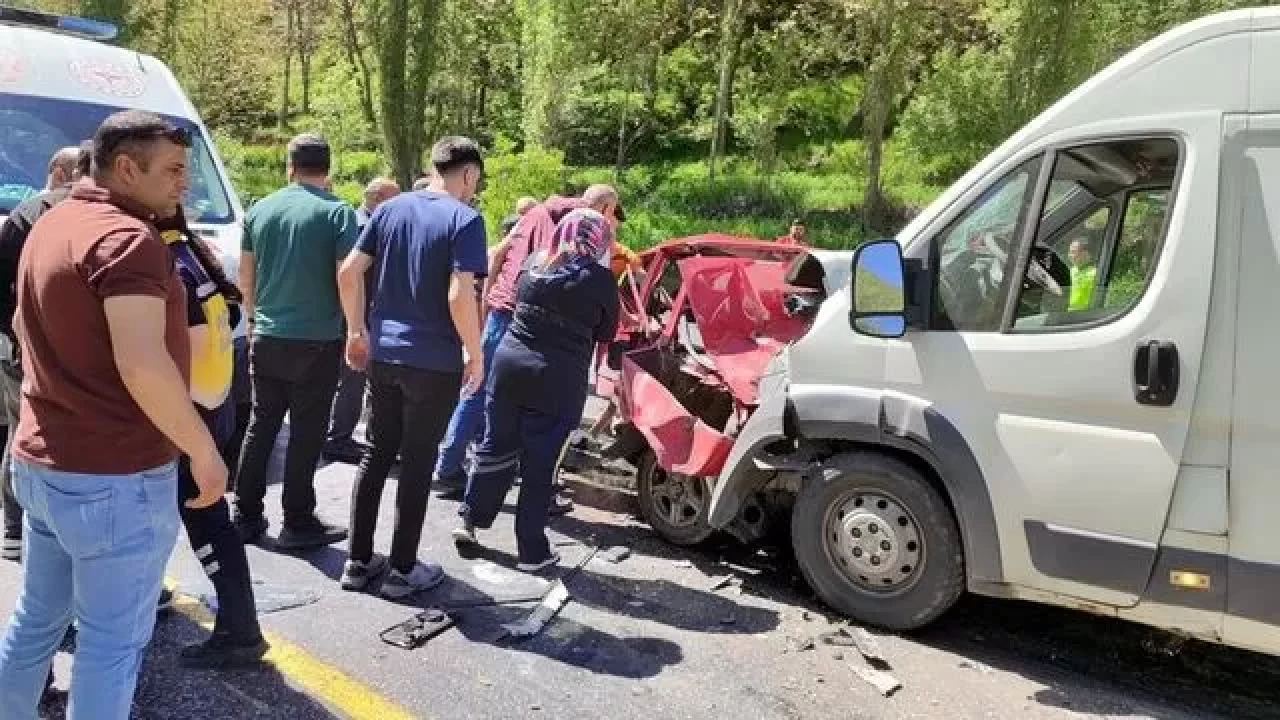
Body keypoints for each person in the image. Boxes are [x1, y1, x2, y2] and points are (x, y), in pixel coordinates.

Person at [0, 110, 227, 719]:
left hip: (42, 465)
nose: (185, 183)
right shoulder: (128, 240)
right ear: (127, 168)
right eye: (174, 170)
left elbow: (24, 328)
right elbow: (142, 364)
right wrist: (203, 450)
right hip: (111, 478)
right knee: (110, 645)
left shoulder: (52, 223)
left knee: (35, 623)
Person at [336, 137, 487, 597]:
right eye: (474, 182)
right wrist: (475, 353)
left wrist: (356, 330)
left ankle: (357, 562)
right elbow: (460, 295)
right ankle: (403, 570)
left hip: (386, 354)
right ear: (468, 175)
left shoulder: (388, 210)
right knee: (418, 463)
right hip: (433, 361)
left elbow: (348, 272)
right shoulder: (466, 219)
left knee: (376, 453)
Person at [453, 208, 620, 572]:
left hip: (509, 367)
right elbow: (607, 333)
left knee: (495, 446)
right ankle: (532, 552)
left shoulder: (534, 263)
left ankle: (469, 520)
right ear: (599, 239)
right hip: (557, 380)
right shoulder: (600, 280)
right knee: (540, 465)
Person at [434, 185, 624, 498]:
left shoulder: (535, 213)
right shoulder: (578, 227)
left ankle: (454, 465)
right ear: (603, 208)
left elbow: (496, 256)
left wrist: (486, 306)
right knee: (530, 403)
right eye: (611, 217)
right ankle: (526, 482)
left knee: (483, 391)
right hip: (527, 318)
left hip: (502, 309)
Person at [156, 206, 269, 668]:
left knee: (203, 519)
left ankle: (240, 630)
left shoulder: (167, 260)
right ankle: (239, 626)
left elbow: (190, 343)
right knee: (207, 517)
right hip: (211, 406)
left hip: (189, 414)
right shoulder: (188, 250)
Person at [233, 133, 357, 550]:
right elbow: (347, 278)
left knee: (261, 425)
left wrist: (253, 320)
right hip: (316, 339)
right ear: (328, 169)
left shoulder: (259, 209)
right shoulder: (339, 214)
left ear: (289, 166)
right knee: (306, 433)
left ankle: (246, 516)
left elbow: (245, 277)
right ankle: (297, 521)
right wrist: (356, 329)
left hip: (266, 334)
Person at [0, 143, 89, 562]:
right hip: (57, 351)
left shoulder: (28, 213)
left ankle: (16, 529)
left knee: (23, 432)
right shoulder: (79, 216)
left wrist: (12, 337)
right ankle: (35, 533)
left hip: (22, 346)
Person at [324, 177, 401, 464]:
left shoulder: (361, 223)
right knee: (352, 379)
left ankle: (344, 435)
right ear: (379, 199)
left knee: (355, 379)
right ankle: (339, 438)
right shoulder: (361, 227)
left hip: (357, 311)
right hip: (355, 313)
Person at [1067, 238, 1098, 311]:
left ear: (1085, 253)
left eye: (1073, 252)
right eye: (1069, 252)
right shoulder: (1071, 271)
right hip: (1068, 314)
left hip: (1084, 316)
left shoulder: (1095, 274)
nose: (1069, 255)